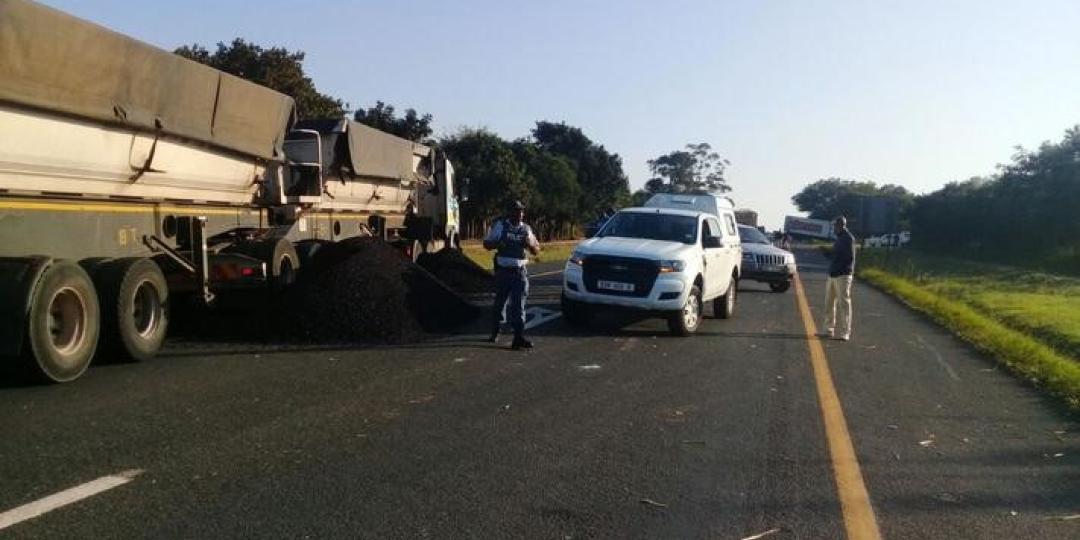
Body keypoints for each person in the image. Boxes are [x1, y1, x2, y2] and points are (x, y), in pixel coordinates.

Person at [483, 200, 541, 349]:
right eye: (516, 211)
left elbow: (536, 250)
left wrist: (529, 244)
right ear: (509, 213)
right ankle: (496, 330)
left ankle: (518, 337)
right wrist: (497, 244)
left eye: (521, 211)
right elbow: (486, 244)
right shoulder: (501, 226)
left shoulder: (526, 229)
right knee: (499, 303)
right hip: (503, 272)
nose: (519, 214)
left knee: (519, 305)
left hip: (519, 273)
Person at [823, 216, 855, 341]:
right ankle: (828, 329)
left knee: (844, 304)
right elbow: (836, 255)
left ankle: (845, 332)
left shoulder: (848, 239)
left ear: (841, 225)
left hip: (843, 275)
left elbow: (849, 259)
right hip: (833, 274)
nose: (833, 229)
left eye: (835, 226)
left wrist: (838, 269)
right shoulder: (839, 238)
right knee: (829, 303)